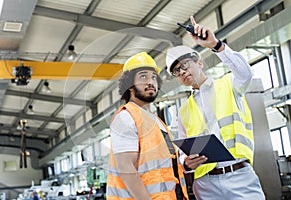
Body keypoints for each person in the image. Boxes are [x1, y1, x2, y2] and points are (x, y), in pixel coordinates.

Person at [165, 16, 265, 199]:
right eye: (176, 71)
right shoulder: (183, 111)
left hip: (239, 176)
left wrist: (216, 45)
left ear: (199, 62)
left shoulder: (229, 84)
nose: (182, 72)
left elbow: (246, 73)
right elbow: (182, 150)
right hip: (205, 184)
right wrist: (186, 163)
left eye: (184, 65)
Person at [106, 52, 189, 200]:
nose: (150, 82)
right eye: (143, 76)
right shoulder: (126, 117)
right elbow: (126, 168)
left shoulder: (157, 122)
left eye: (153, 77)